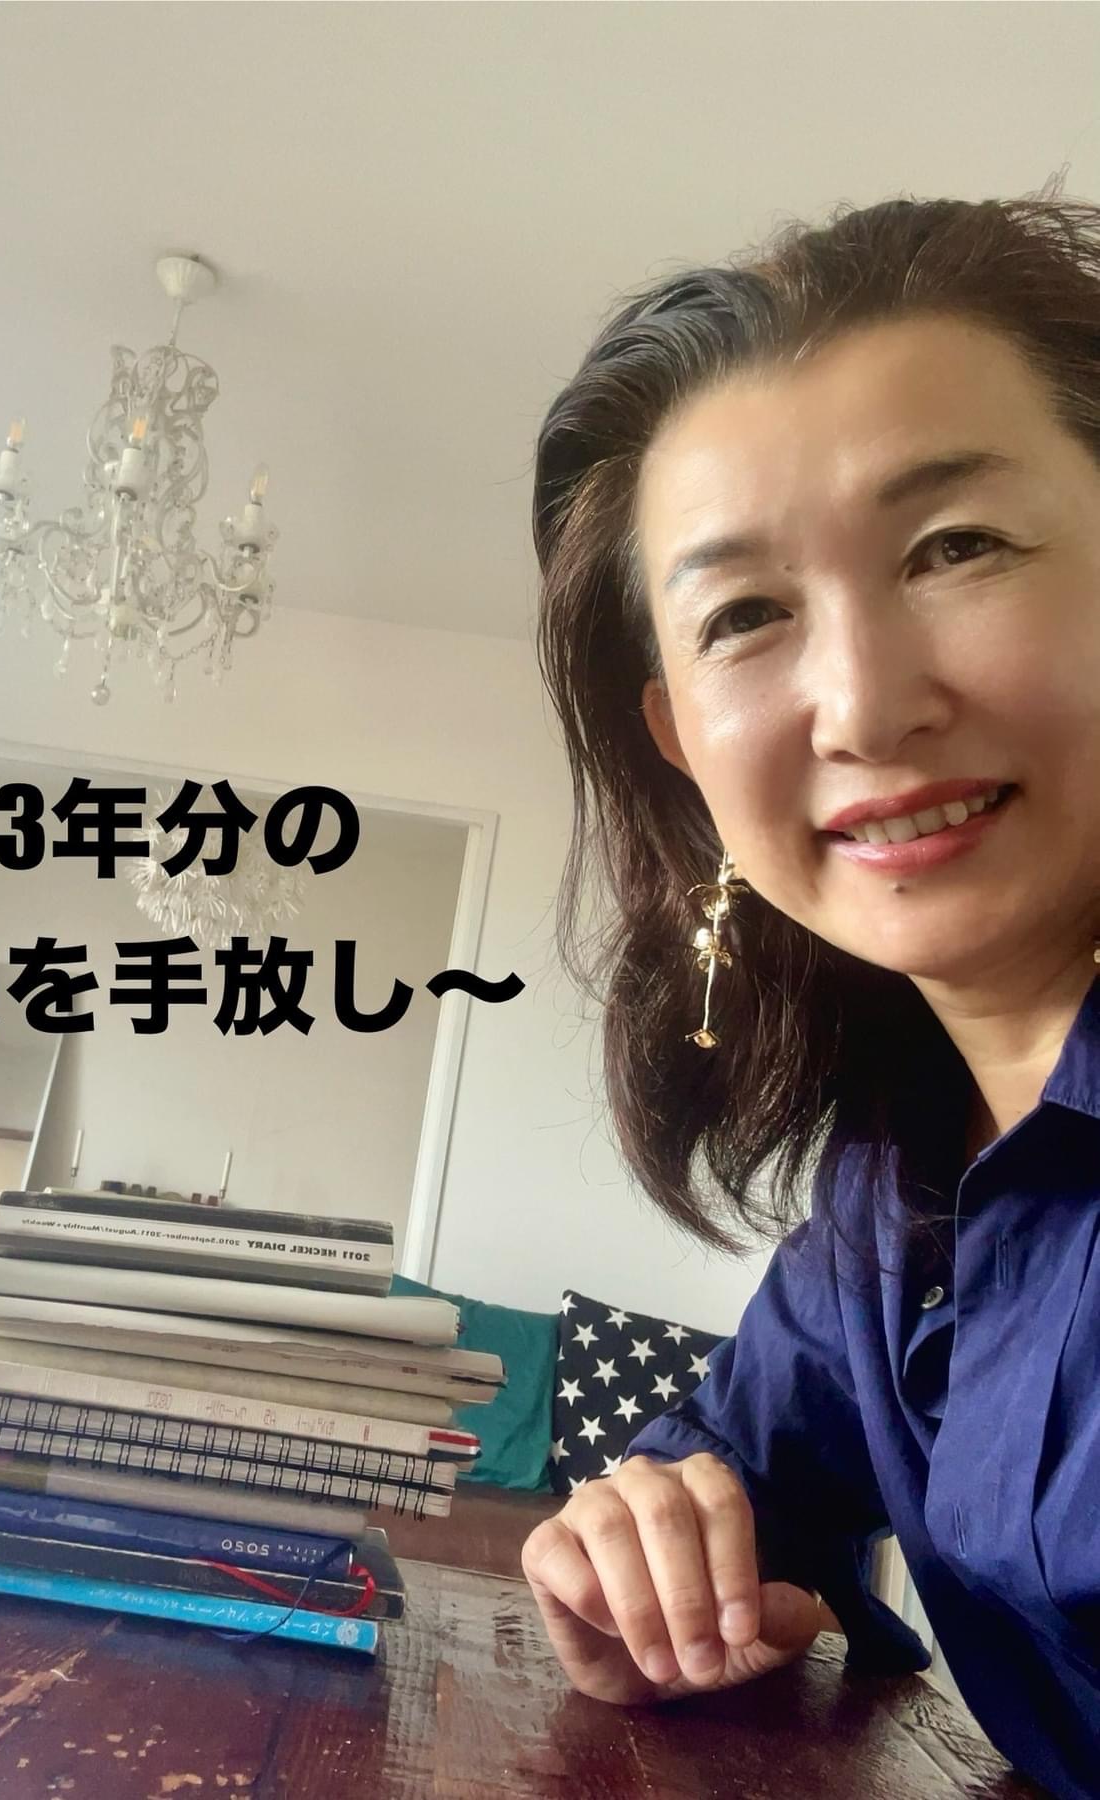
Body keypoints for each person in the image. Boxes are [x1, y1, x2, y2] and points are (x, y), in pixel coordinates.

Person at [521, 181, 1100, 1800]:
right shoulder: (890, 1185)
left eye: (957, 546)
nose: (860, 703)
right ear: (681, 745)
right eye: (746, 617)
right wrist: (645, 1543)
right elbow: (733, 1458)